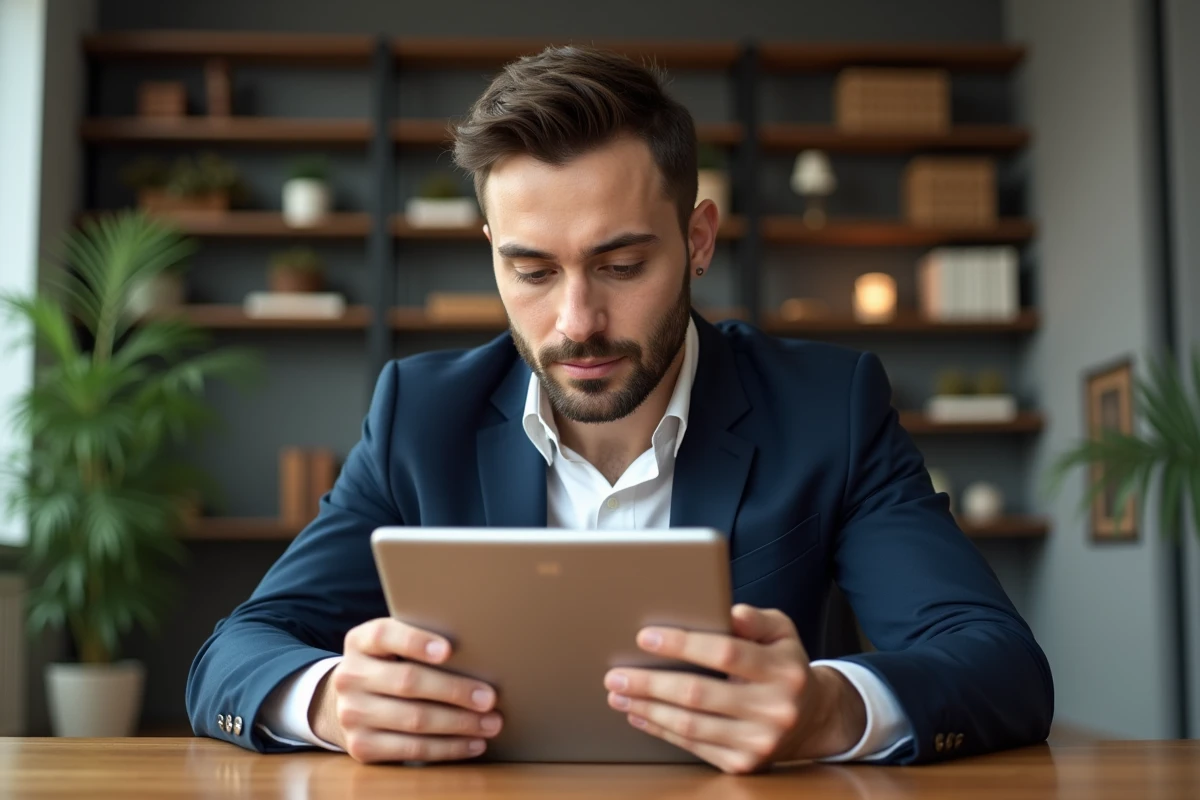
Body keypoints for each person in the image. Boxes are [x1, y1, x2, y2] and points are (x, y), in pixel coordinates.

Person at [186, 45, 1053, 774]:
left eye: (623, 265)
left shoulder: (830, 407)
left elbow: (1001, 664)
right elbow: (237, 650)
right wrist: (332, 700)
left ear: (698, 240)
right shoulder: (420, 413)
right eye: (532, 271)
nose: (576, 324)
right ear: (491, 253)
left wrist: (832, 710)